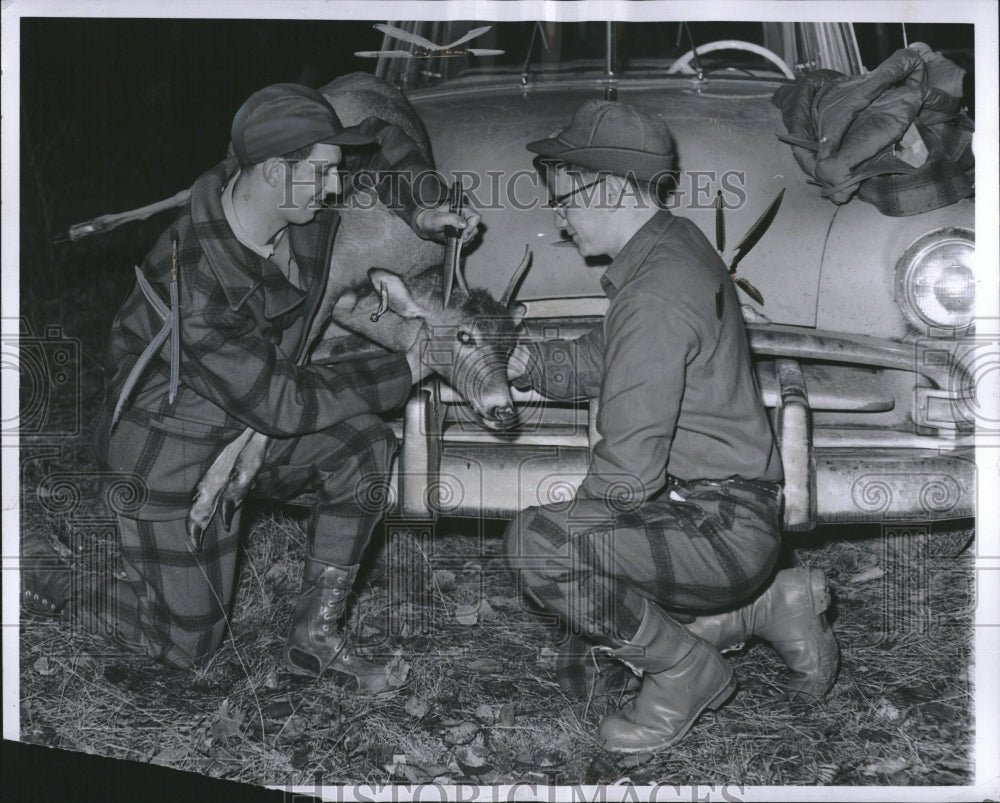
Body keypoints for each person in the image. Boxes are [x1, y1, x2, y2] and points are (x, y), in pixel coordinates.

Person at [22, 82, 478, 694]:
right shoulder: (194, 278)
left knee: (363, 445)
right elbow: (284, 401)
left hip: (244, 423)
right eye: (323, 174)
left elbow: (380, 144)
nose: (336, 187)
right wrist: (409, 364)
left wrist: (423, 205)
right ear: (272, 171)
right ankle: (53, 576)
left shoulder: (295, 201)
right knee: (188, 647)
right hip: (165, 451)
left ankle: (314, 640)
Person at [504, 99, 838, 753]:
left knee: (537, 544)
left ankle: (684, 671)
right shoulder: (672, 247)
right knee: (579, 541)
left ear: (606, 187)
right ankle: (774, 604)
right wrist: (532, 363)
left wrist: (572, 555)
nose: (558, 218)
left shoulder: (655, 293)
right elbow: (610, 355)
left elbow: (627, 473)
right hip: (734, 510)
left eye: (563, 199)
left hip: (720, 524)